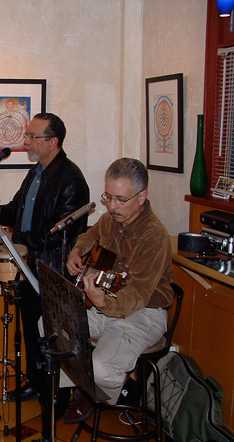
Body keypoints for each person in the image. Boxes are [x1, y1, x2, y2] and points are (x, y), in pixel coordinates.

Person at [0, 112, 90, 409]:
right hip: (28, 266)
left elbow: (56, 232)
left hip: (53, 270)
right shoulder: (36, 172)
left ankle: (57, 395)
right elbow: (18, 210)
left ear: (53, 141)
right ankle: (37, 383)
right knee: (30, 330)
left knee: (53, 336)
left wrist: (21, 240)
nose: (25, 142)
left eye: (32, 137)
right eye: (26, 135)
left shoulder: (71, 180)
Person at [64, 158, 173, 423]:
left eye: (121, 199)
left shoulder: (153, 236)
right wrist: (78, 250)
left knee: (101, 368)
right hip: (108, 301)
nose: (112, 206)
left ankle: (124, 391)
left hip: (144, 312)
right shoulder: (111, 220)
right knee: (53, 325)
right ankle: (92, 387)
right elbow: (91, 235)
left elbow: (137, 295)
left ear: (142, 197)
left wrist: (103, 304)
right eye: (108, 197)